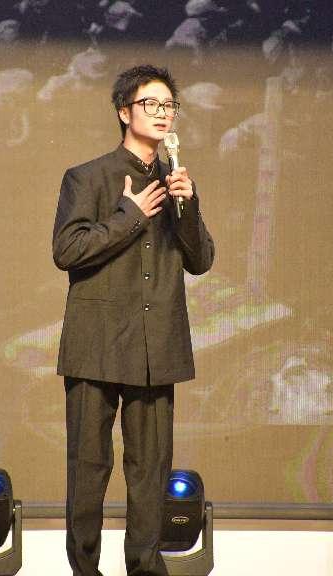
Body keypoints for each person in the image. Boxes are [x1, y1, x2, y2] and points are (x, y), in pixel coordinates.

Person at [52, 64, 214, 576]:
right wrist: (130, 214)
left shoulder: (176, 182)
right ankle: (85, 570)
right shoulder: (88, 176)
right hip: (96, 344)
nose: (162, 114)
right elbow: (67, 249)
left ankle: (145, 567)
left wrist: (187, 206)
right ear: (125, 112)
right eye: (151, 104)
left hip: (155, 346)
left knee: (151, 471)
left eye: (169, 106)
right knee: (89, 468)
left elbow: (201, 260)